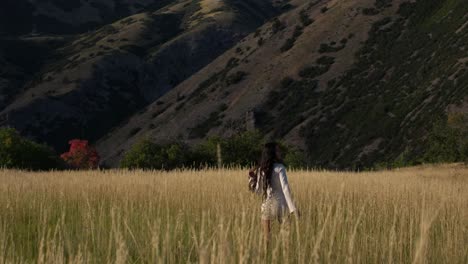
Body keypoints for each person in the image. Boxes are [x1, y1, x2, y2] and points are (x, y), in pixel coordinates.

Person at [248, 142, 300, 244]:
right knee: (286, 239)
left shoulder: (260, 169)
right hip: (282, 205)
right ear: (273, 153)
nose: (280, 152)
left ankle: (266, 258)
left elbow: (258, 191)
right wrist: (293, 208)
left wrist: (251, 179)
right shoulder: (280, 168)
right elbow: (285, 189)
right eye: (277, 150)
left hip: (268, 205)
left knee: (267, 239)